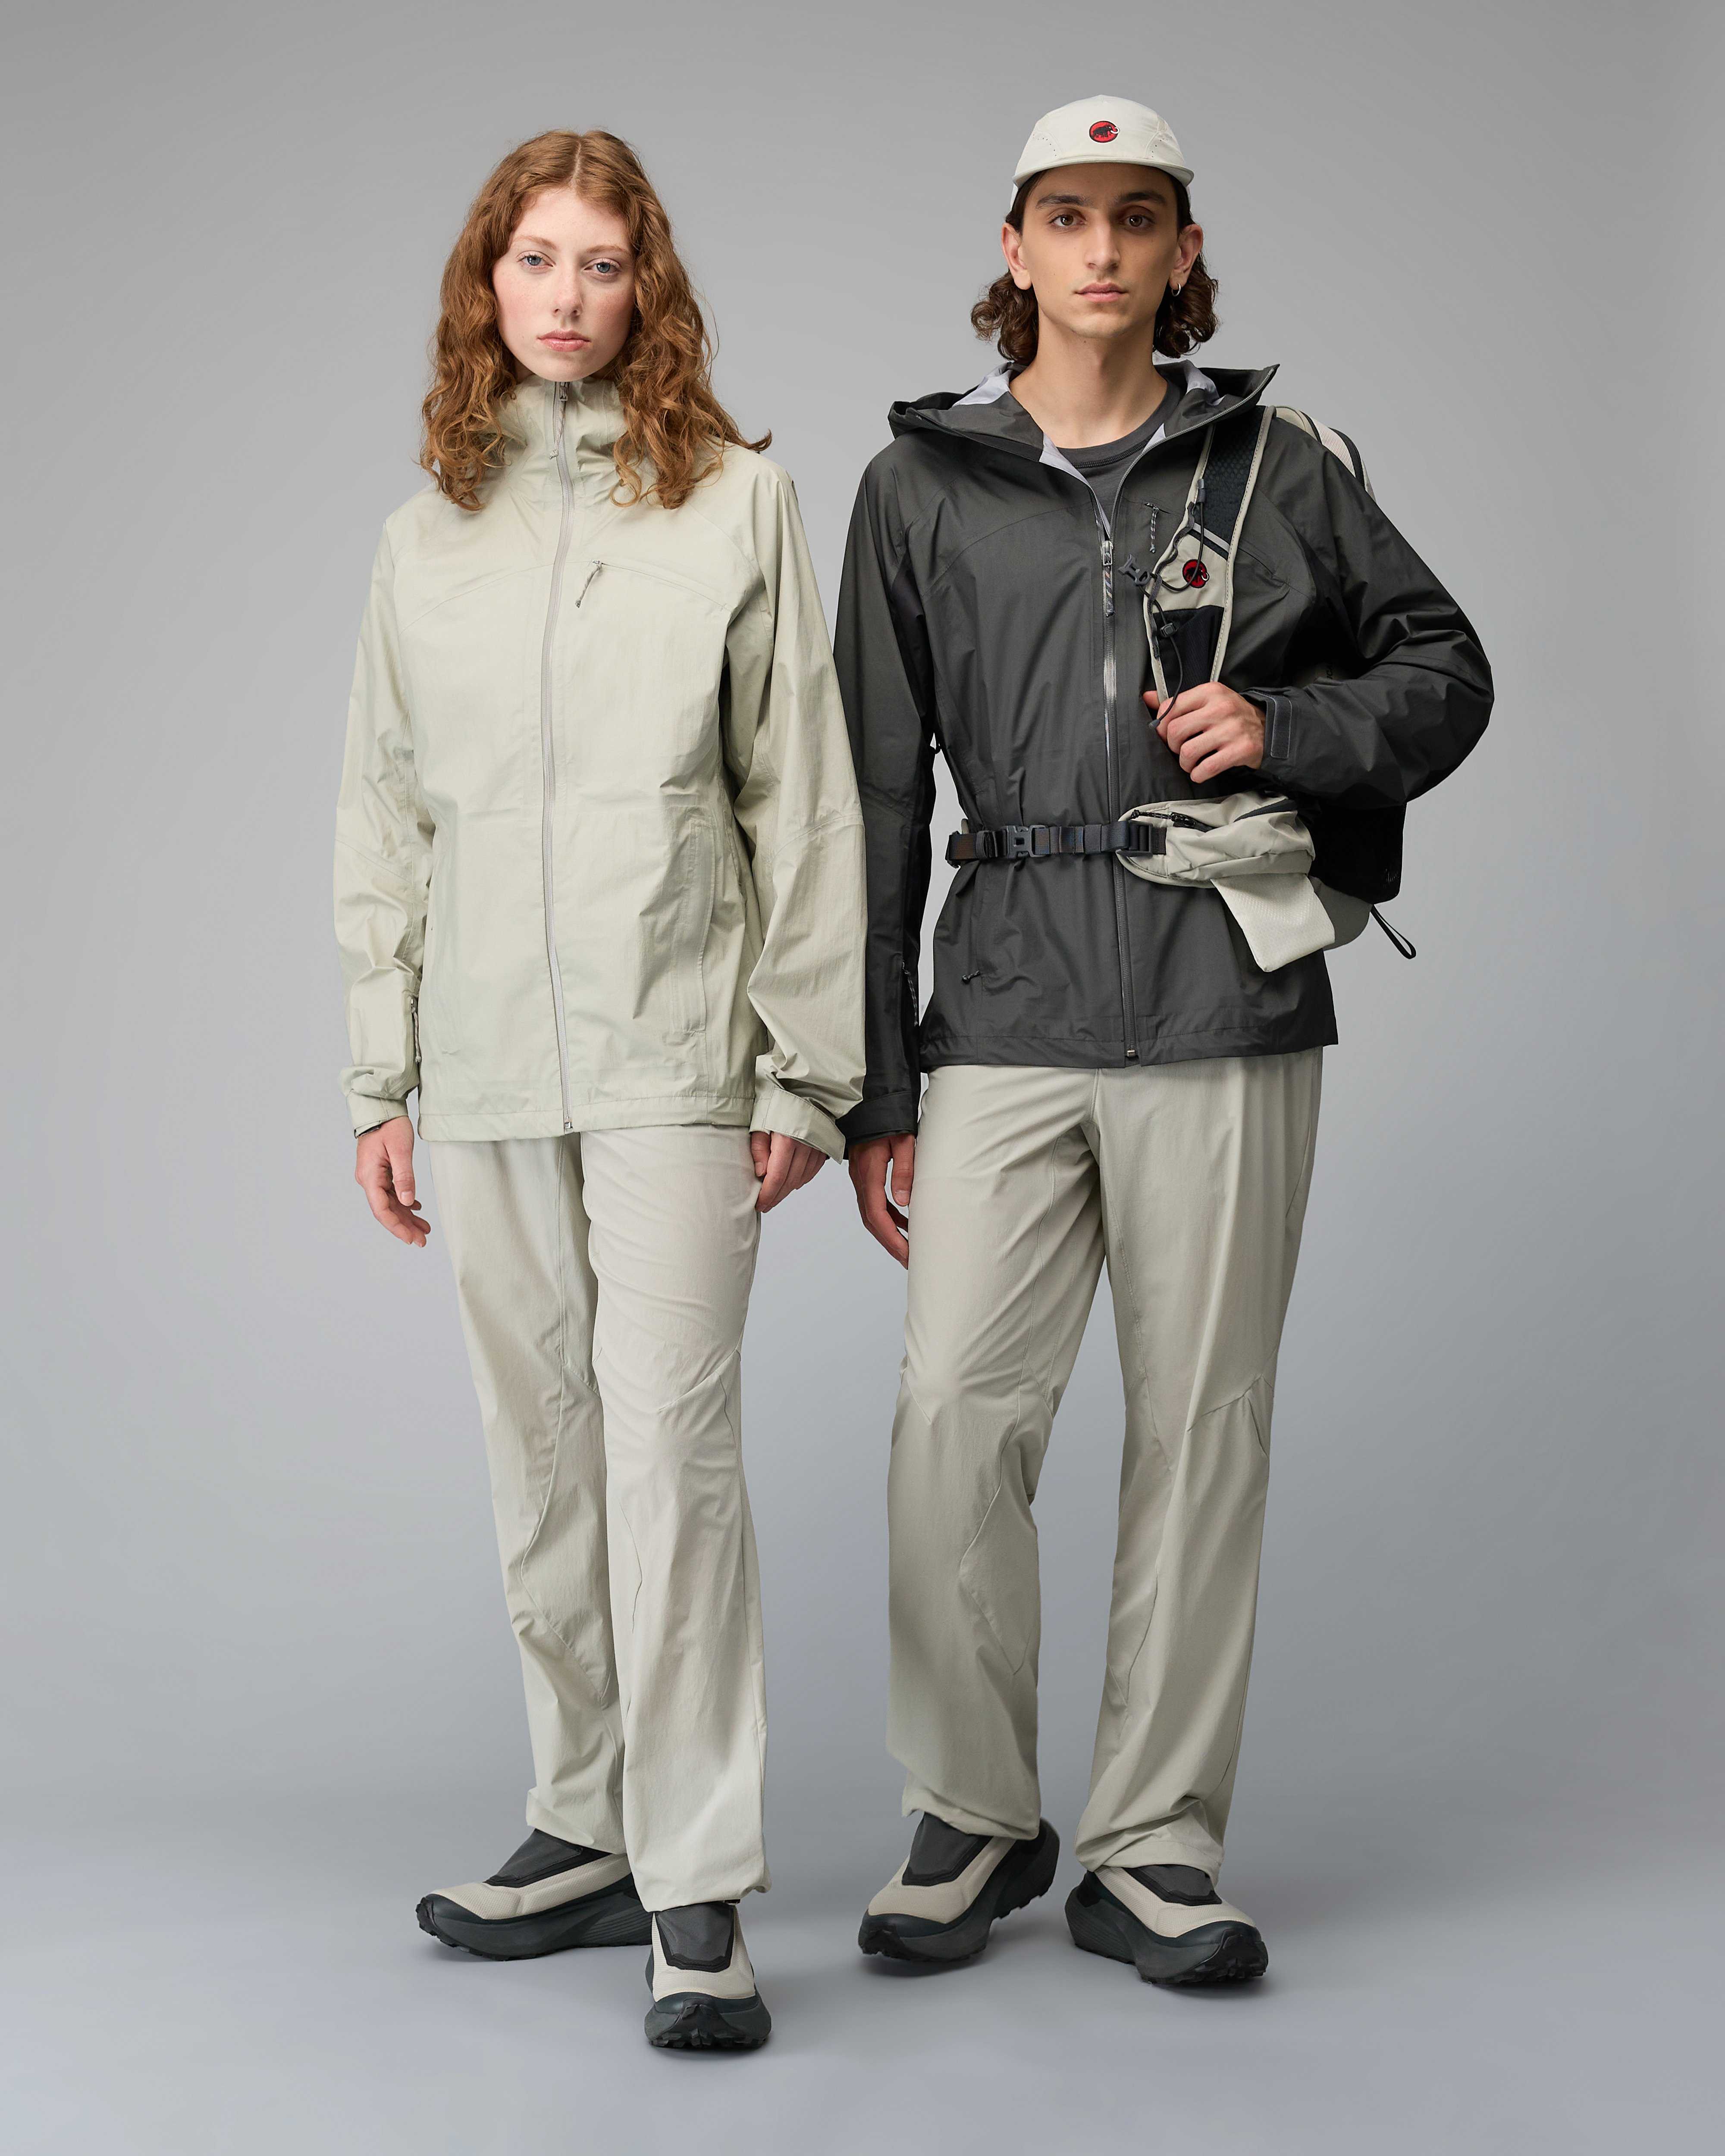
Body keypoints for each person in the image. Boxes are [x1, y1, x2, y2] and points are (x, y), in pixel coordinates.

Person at [838, 96, 1491, 1987]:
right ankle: (973, 1813)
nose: (1104, 248)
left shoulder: (1277, 462)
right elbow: (871, 797)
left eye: (1139, 217)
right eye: (1069, 215)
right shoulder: (918, 485)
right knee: (954, 1422)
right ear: (1016, 247)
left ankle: (1153, 1846)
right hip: (1005, 1004)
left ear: (1184, 250)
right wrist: (875, 1080)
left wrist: (1290, 733)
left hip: (1224, 998)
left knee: (1202, 1431)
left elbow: (1445, 670)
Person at [334, 128, 866, 2051]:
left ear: (652, 290)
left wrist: (808, 1070)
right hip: (482, 1062)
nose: (567, 296)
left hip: (675, 1055)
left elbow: (800, 796)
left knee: (671, 1459)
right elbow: (386, 815)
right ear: (487, 286)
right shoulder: (426, 538)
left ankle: (696, 1881)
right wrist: (382, 1069)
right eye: (535, 260)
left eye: (603, 264)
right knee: (543, 1452)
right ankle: (583, 1820)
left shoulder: (735, 501)